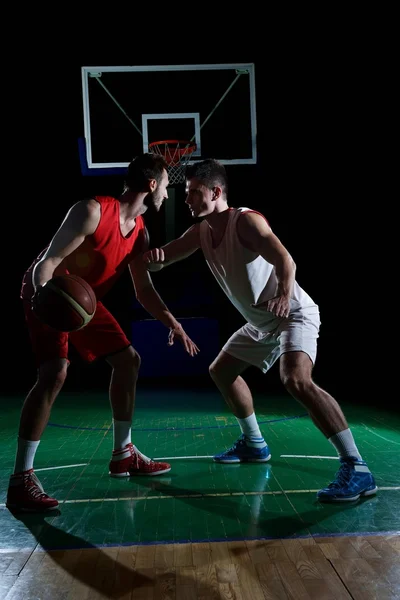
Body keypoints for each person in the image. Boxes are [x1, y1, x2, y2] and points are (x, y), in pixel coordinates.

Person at [142, 158, 377, 503]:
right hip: (262, 322)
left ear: (216, 192)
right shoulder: (201, 232)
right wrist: (149, 255)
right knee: (221, 370)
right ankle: (254, 443)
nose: (188, 198)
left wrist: (284, 293)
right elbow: (166, 258)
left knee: (296, 380)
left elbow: (285, 259)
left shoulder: (246, 222)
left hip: (293, 313)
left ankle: (356, 467)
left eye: (194, 192)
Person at [7, 153, 199, 512]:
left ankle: (123, 453)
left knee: (128, 361)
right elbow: (47, 262)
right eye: (167, 188)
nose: (169, 196)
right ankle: (21, 479)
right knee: (55, 372)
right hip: (48, 291)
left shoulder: (140, 233)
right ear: (152, 184)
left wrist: (172, 322)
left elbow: (143, 290)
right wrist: (42, 301)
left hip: (82, 301)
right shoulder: (92, 211)